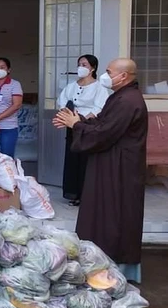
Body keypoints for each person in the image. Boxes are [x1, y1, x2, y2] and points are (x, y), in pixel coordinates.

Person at [53, 58, 148, 283]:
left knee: (114, 214)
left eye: (108, 71)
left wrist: (76, 125)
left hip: (120, 169)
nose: (105, 75)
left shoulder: (128, 101)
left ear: (123, 76)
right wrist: (78, 121)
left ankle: (113, 266)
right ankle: (97, 260)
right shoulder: (121, 97)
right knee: (101, 211)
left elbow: (105, 133)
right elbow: (102, 125)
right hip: (110, 163)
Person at [56, 54, 111, 206]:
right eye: (79, 64)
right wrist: (67, 116)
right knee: (72, 160)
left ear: (93, 68)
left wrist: (83, 120)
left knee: (86, 161)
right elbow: (62, 101)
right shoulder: (71, 86)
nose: (81, 67)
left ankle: (87, 195)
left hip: (89, 126)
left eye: (85, 65)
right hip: (71, 126)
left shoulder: (99, 87)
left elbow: (99, 107)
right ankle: (73, 193)